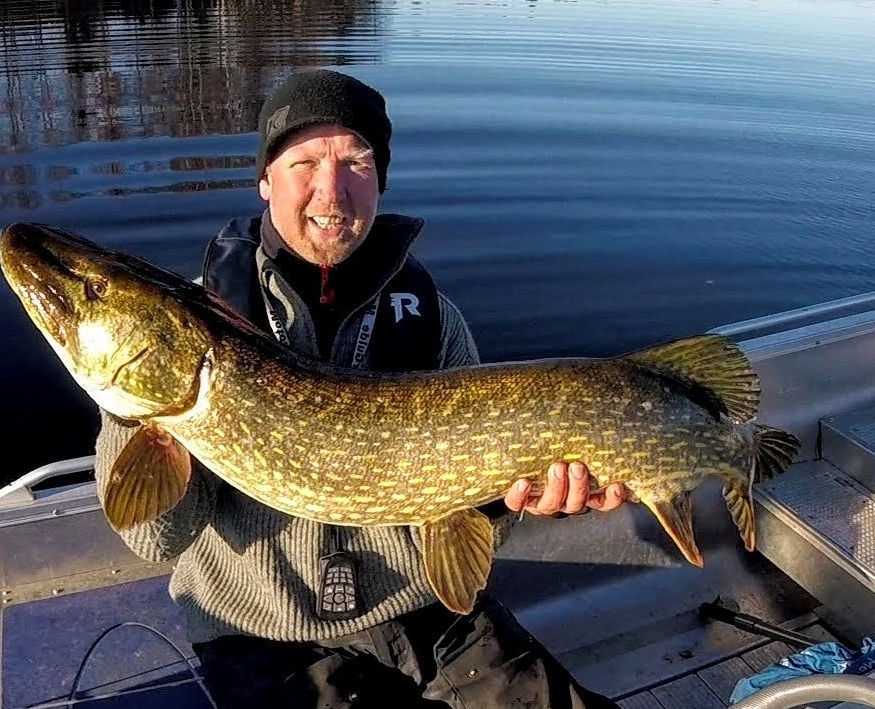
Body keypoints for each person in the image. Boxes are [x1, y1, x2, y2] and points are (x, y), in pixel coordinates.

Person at [93, 68, 630, 708]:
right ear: (265, 181)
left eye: (357, 162)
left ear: (380, 181)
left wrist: (509, 499)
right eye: (305, 162)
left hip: (433, 617)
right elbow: (154, 540)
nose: (333, 190)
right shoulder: (195, 327)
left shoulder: (431, 321)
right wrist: (133, 410)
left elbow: (469, 522)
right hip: (264, 634)